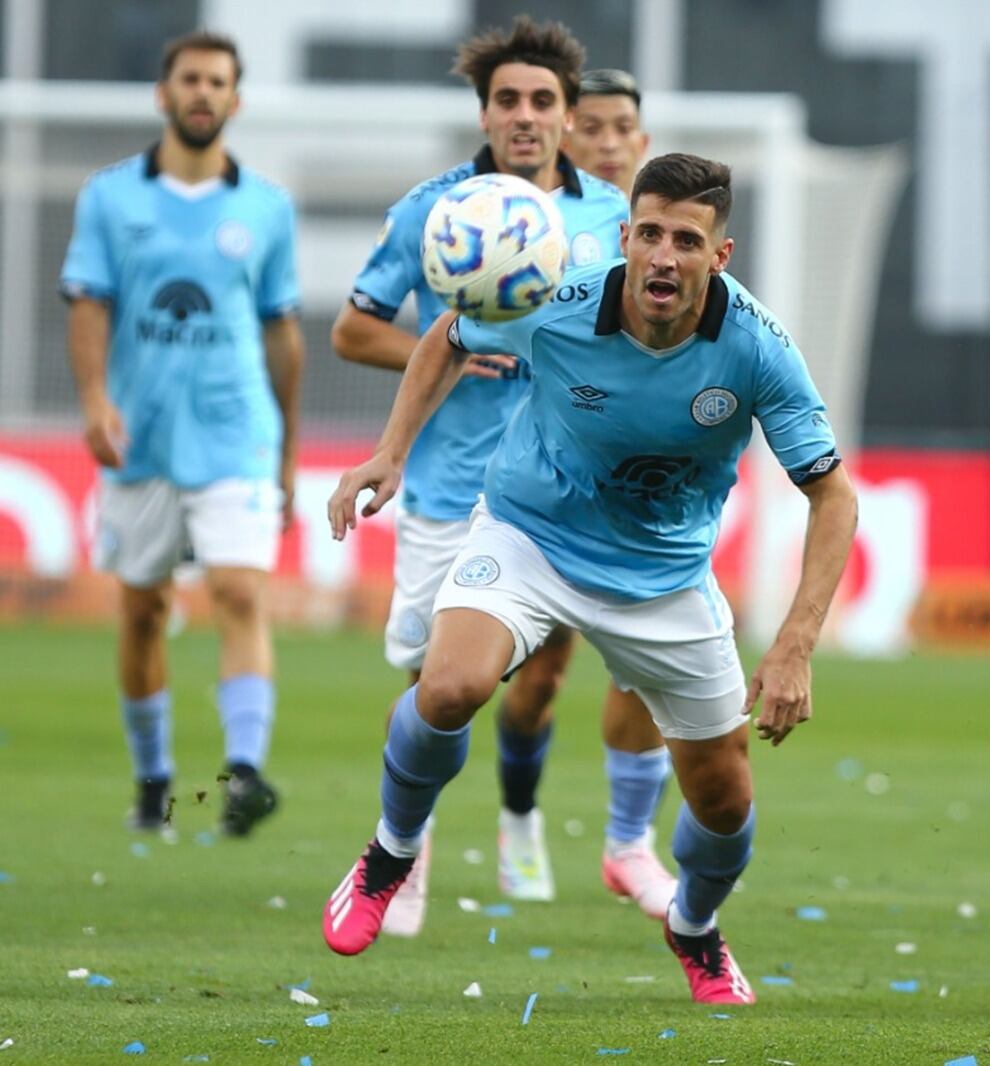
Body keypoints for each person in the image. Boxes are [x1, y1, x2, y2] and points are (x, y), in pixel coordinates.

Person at [322, 153, 857, 1005]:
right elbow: (449, 335)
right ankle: (391, 852)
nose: (663, 257)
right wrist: (391, 452)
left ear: (720, 255)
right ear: (625, 237)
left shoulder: (757, 348)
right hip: (530, 536)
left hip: (664, 579)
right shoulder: (555, 301)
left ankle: (693, 925)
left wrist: (795, 644)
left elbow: (833, 497)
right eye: (649, 234)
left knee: (724, 803)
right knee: (449, 685)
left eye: (687, 241)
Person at [330, 18, 677, 936]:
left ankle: (598, 835)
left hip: (571, 494)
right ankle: (407, 849)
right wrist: (450, 350)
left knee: (576, 674)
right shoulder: (434, 212)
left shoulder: (611, 219)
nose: (525, 116)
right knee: (434, 687)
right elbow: (353, 328)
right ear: (483, 113)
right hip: (452, 486)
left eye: (542, 101)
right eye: (507, 100)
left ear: (567, 116)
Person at [60, 30, 304, 839]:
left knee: (239, 591)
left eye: (217, 82)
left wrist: (287, 450)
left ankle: (245, 772)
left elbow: (281, 332)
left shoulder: (267, 206)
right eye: (190, 79)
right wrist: (94, 401)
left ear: (236, 99)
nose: (203, 93)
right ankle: (153, 778)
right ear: (163, 94)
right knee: (143, 611)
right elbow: (88, 302)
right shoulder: (109, 197)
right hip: (142, 436)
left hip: (236, 430)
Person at [564, 68, 651, 196]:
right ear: (563, 145)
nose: (610, 145)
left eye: (624, 128)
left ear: (643, 144)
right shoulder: (543, 207)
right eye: (591, 129)